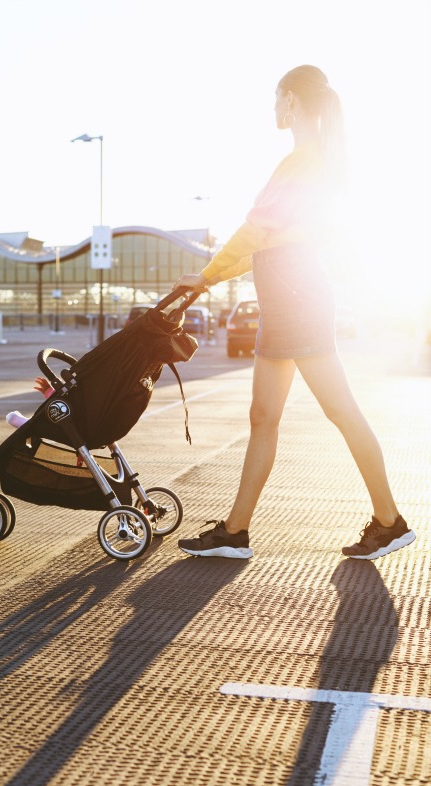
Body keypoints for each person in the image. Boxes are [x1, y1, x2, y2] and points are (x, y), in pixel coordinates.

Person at [175, 65, 415, 562]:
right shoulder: (308, 160)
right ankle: (236, 532)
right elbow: (263, 243)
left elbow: (256, 229)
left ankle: (390, 521)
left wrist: (207, 274)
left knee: (340, 410)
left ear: (290, 100)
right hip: (286, 296)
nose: (273, 108)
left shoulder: (304, 162)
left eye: (275, 98)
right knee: (263, 416)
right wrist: (213, 275)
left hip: (297, 297)